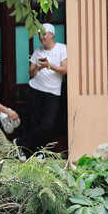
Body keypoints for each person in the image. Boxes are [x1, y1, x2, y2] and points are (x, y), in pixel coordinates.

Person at [14, 23, 68, 157]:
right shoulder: (38, 51)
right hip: (35, 89)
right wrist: (37, 67)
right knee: (35, 123)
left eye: (43, 34)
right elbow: (31, 72)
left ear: (52, 34)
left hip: (53, 92)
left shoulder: (61, 48)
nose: (41, 37)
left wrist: (49, 65)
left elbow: (65, 69)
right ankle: (37, 153)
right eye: (39, 34)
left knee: (47, 124)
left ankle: (21, 142)